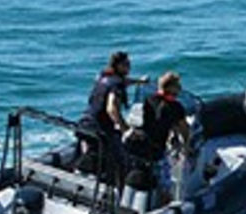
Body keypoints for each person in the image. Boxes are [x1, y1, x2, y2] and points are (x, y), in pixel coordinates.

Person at [77, 51, 147, 183]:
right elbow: (112, 109)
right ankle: (115, 185)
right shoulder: (116, 85)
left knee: (93, 152)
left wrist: (140, 82)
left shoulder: (103, 77)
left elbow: (124, 81)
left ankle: (83, 171)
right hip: (99, 128)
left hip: (85, 123)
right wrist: (126, 130)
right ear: (118, 66)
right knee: (119, 156)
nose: (129, 67)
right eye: (126, 64)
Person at [124, 71, 191, 204]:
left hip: (141, 145)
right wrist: (186, 146)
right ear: (170, 88)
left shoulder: (149, 100)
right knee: (165, 181)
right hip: (156, 150)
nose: (180, 88)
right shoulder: (175, 107)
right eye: (177, 85)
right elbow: (184, 130)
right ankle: (166, 205)